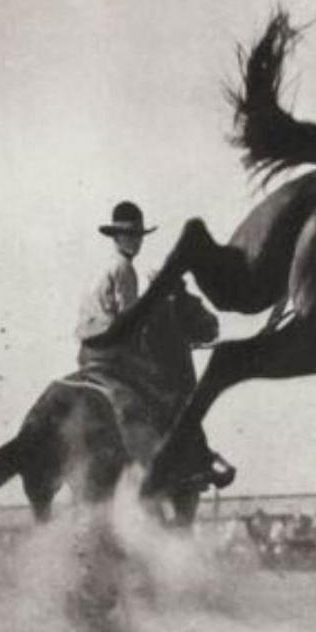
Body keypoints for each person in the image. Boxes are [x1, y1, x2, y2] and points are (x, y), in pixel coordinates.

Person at [76, 201, 232, 489]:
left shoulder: (103, 265)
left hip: (87, 353)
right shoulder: (124, 269)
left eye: (137, 235)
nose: (135, 241)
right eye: (129, 235)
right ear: (117, 237)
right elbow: (130, 320)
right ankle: (193, 464)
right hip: (114, 350)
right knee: (172, 394)